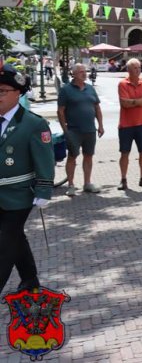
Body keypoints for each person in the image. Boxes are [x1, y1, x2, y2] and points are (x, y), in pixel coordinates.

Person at [0, 65, 55, 294]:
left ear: (18, 93)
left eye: (2, 91)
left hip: (19, 194)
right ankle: (30, 278)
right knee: (16, 238)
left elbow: (45, 160)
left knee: (5, 243)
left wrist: (44, 190)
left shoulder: (33, 124)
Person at [57, 63, 104, 196]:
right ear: (74, 74)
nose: (85, 74)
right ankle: (71, 185)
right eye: (81, 72)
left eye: (85, 71)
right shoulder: (66, 90)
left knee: (88, 156)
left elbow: (97, 108)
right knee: (72, 156)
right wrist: (65, 130)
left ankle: (87, 183)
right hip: (74, 130)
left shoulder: (90, 88)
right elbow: (60, 111)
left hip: (90, 129)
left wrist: (100, 125)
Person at [117, 58, 142, 190]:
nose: (138, 70)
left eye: (139, 68)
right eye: (135, 68)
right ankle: (123, 179)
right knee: (124, 153)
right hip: (126, 125)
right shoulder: (122, 84)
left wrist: (133, 101)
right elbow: (124, 104)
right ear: (129, 70)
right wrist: (140, 101)